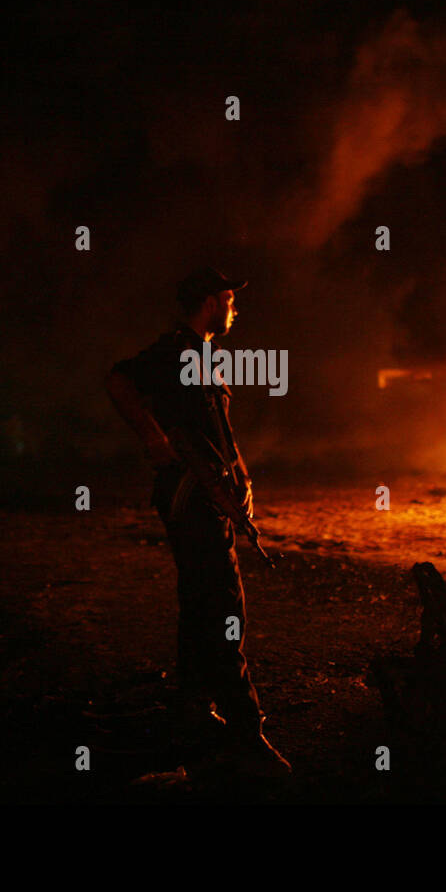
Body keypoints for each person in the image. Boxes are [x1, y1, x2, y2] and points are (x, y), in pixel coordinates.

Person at [106, 268, 290, 777]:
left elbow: (217, 429)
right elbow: (119, 380)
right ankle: (247, 735)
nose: (236, 309)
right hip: (191, 499)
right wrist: (152, 437)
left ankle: (193, 711)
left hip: (212, 496)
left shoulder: (203, 356)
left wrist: (242, 478)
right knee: (224, 608)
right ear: (210, 303)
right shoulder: (175, 351)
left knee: (198, 605)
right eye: (230, 300)